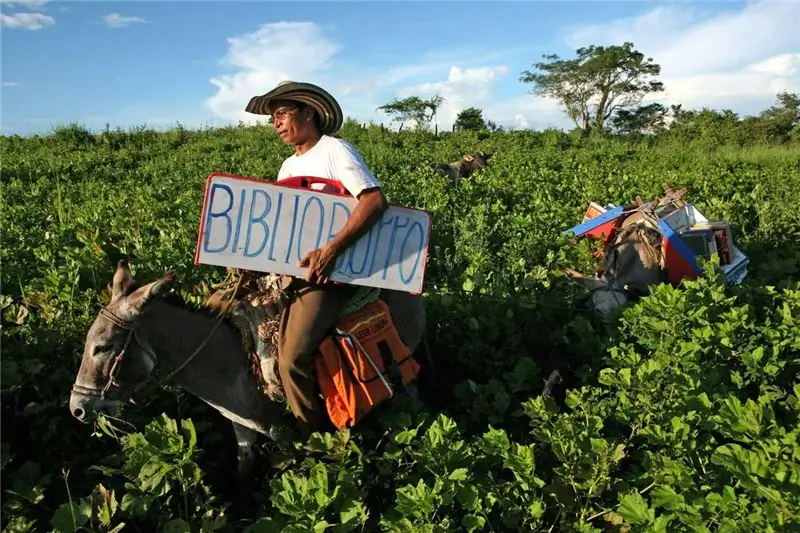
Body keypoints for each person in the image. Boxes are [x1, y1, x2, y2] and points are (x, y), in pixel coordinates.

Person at [244, 80, 389, 436]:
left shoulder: (335, 151)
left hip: (330, 273)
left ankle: (314, 438)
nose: (276, 124)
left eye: (281, 114)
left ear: (307, 112)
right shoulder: (286, 167)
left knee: (291, 359)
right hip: (292, 270)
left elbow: (373, 201)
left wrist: (331, 251)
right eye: (273, 118)